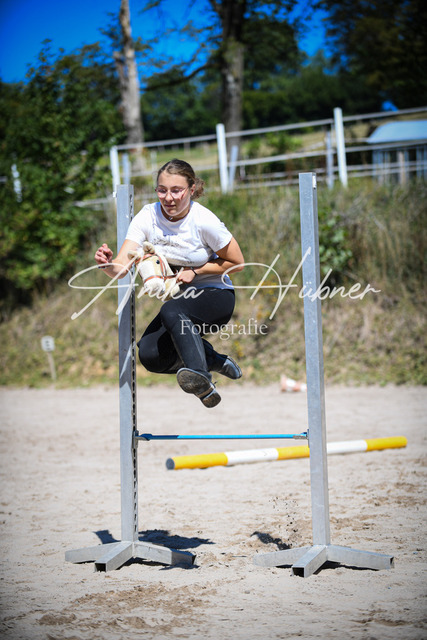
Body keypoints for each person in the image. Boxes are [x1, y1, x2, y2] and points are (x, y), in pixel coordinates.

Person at [95, 158, 244, 408]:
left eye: (176, 190)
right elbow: (121, 268)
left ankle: (202, 380)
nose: (169, 198)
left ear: (192, 189)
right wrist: (106, 264)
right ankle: (213, 360)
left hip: (216, 296)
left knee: (171, 310)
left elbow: (237, 263)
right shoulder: (147, 217)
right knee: (150, 354)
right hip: (182, 304)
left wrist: (195, 271)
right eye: (162, 190)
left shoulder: (203, 220)